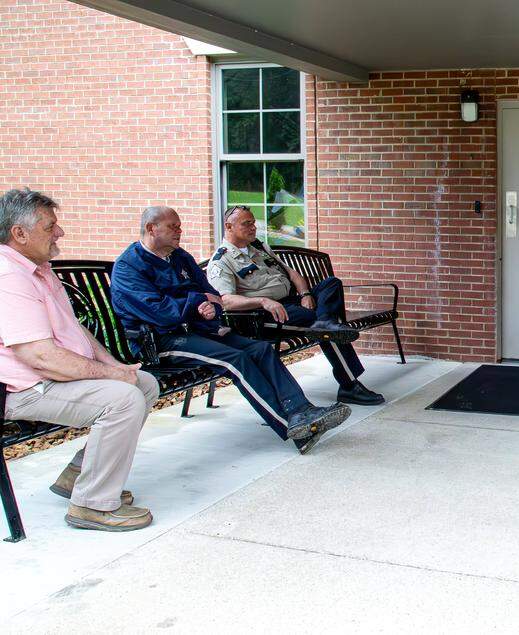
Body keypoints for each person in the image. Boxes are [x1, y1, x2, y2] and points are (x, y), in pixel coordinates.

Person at [110, 206, 349, 454]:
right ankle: (292, 426)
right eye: (174, 226)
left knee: (260, 349)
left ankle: (302, 410)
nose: (180, 231)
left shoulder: (180, 257)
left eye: (179, 226)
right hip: (162, 341)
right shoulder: (129, 266)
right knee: (236, 359)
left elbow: (213, 295)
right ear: (151, 228)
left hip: (198, 330)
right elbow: (158, 311)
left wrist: (212, 318)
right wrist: (197, 304)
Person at [0, 188, 157, 531]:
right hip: (24, 389)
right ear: (20, 233)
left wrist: (115, 366)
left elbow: (76, 331)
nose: (60, 232)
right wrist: (113, 379)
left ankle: (78, 475)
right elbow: (40, 358)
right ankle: (92, 505)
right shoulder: (8, 276)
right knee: (124, 399)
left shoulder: (38, 269)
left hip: (51, 378)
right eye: (50, 226)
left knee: (144, 384)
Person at [206, 205, 385, 406]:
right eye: (246, 224)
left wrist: (306, 294)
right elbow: (225, 301)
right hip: (265, 316)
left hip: (293, 302)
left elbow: (293, 274)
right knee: (320, 323)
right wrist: (263, 301)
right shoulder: (221, 261)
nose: (253, 227)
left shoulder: (259, 247)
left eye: (253, 223)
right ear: (229, 227)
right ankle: (349, 385)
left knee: (331, 284)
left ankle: (326, 322)